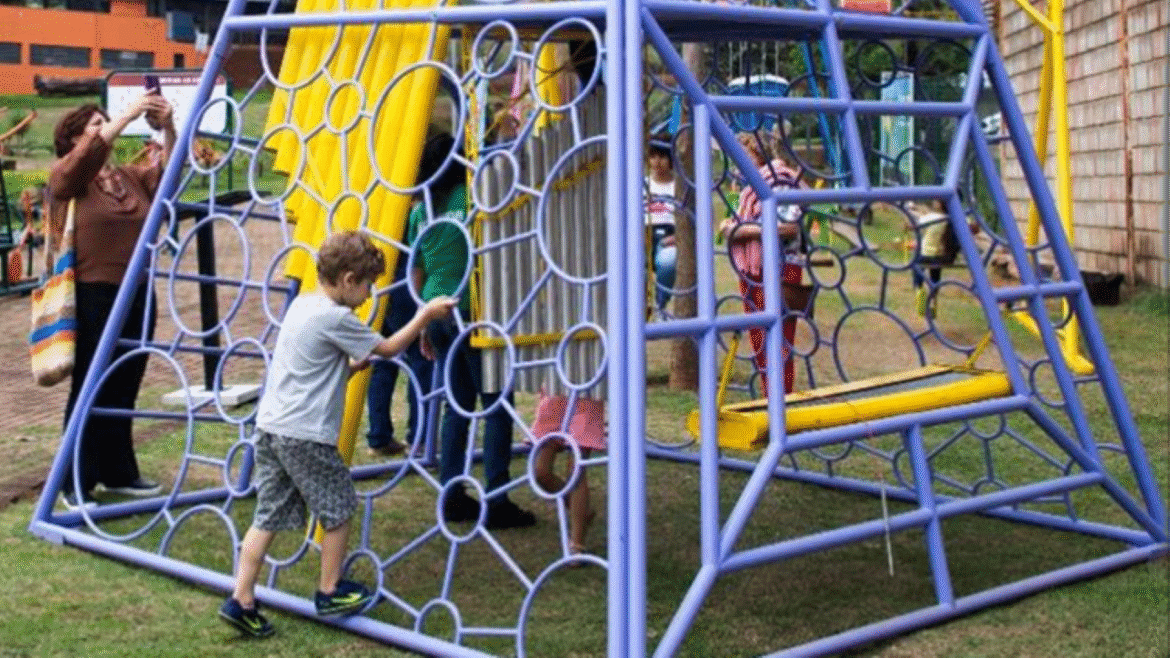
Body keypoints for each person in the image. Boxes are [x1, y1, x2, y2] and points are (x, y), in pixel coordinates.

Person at [219, 231, 456, 638]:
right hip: (304, 434)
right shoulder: (335, 316)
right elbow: (388, 349)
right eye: (366, 286)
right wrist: (425, 315)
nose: (368, 296)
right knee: (340, 506)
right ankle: (329, 589)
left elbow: (310, 369)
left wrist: (348, 369)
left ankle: (240, 598)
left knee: (269, 514)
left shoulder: (302, 305)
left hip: (272, 426)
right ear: (348, 280)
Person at [49, 94, 176, 510]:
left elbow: (171, 173)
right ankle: (75, 482)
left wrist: (169, 126)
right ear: (72, 140)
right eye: (94, 124)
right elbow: (85, 159)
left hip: (136, 290)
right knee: (90, 381)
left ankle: (119, 472)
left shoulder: (126, 177)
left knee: (124, 380)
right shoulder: (69, 180)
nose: (105, 127)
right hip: (93, 292)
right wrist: (125, 115)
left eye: (105, 121)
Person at [412, 131, 536, 530]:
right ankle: (496, 500)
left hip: (436, 309)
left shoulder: (421, 210)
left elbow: (416, 271)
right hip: (472, 310)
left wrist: (421, 322)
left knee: (458, 406)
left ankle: (452, 497)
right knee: (496, 406)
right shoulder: (471, 199)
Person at [719, 132, 806, 397]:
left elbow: (789, 227)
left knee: (777, 340)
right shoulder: (753, 187)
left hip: (778, 269)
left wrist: (740, 231)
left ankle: (780, 402)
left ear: (757, 153)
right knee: (759, 338)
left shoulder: (779, 181)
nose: (736, 164)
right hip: (754, 271)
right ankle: (772, 400)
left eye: (741, 156)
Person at [365, 213, 432, 458]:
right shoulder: (413, 209)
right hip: (405, 283)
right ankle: (420, 438)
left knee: (382, 364)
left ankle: (379, 436)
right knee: (421, 360)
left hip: (378, 284)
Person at [531, 392, 604, 559]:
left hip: (586, 395)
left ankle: (577, 543)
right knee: (540, 473)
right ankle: (582, 512)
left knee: (576, 473)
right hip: (555, 393)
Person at [909, 199, 979, 318]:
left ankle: (919, 288)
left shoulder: (931, 217)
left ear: (939, 204)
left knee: (916, 266)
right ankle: (933, 297)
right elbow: (975, 230)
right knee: (935, 272)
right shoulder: (959, 219)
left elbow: (917, 229)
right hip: (944, 258)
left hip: (925, 255)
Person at [644, 135, 678, 310]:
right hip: (644, 236)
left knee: (669, 260)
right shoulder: (642, 185)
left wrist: (676, 238)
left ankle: (660, 304)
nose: (657, 162)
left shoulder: (679, 187)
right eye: (653, 156)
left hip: (669, 237)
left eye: (662, 157)